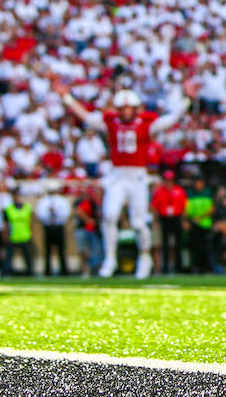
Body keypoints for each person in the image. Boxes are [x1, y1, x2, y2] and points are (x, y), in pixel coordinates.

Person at [54, 79, 196, 278]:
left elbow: (171, 119)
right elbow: (85, 116)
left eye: (130, 108)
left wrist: (187, 99)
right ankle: (110, 259)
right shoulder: (111, 122)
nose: (126, 112)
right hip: (117, 176)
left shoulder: (146, 124)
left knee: (138, 223)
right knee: (110, 215)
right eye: (123, 108)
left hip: (137, 176)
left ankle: (145, 258)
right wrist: (66, 97)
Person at [151, 171, 187, 274]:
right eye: (166, 180)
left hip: (176, 218)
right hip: (165, 218)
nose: (168, 183)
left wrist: (184, 220)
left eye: (170, 180)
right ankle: (165, 267)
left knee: (178, 243)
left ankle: (178, 267)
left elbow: (183, 207)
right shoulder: (159, 192)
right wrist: (156, 221)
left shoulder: (179, 191)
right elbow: (154, 208)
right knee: (165, 244)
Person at [36, 182, 73, 276]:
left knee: (61, 250)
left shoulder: (62, 200)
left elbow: (66, 213)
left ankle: (64, 271)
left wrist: (57, 213)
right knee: (47, 250)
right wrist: (48, 215)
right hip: (48, 226)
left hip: (59, 226)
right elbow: (40, 214)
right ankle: (47, 271)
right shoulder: (43, 201)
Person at [3, 185, 35, 277]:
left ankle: (30, 273)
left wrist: (31, 233)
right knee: (9, 258)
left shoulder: (27, 208)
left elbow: (31, 222)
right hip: (13, 236)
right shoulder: (8, 209)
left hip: (25, 235)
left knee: (28, 257)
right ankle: (6, 273)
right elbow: (5, 224)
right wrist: (5, 235)